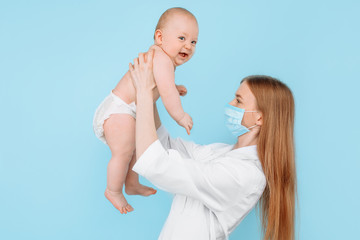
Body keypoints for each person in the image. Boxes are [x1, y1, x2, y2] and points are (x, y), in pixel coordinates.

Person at [129, 50, 297, 240]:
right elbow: (164, 145)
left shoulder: (246, 175)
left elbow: (156, 164)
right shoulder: (221, 152)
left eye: (239, 100)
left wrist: (143, 94)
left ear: (260, 118)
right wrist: (153, 94)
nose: (230, 103)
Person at [92, 7, 198, 213]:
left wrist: (175, 88)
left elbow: (160, 85)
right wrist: (181, 116)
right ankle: (113, 190)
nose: (188, 46)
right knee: (123, 152)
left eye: (193, 42)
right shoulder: (162, 59)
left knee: (135, 148)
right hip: (120, 110)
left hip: (128, 109)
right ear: (160, 37)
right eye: (182, 38)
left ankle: (131, 184)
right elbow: (166, 93)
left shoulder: (161, 57)